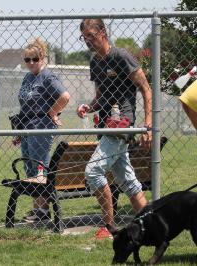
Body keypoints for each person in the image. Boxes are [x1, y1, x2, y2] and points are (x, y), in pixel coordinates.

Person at [76, 19, 152, 239]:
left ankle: (109, 229)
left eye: (91, 35)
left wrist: (148, 124)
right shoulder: (94, 63)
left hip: (122, 125)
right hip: (105, 125)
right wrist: (88, 107)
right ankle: (151, 225)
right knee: (129, 182)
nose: (88, 41)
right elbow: (100, 98)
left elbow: (146, 89)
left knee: (93, 171)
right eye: (84, 37)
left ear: (103, 32)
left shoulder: (121, 57)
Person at [14, 37, 70, 222]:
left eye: (34, 59)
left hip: (41, 127)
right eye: (27, 60)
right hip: (27, 127)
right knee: (29, 167)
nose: (31, 63)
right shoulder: (28, 77)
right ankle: (36, 209)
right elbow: (24, 106)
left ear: (42, 58)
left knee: (39, 168)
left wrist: (53, 112)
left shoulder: (48, 77)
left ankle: (43, 211)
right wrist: (19, 131)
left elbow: (65, 96)